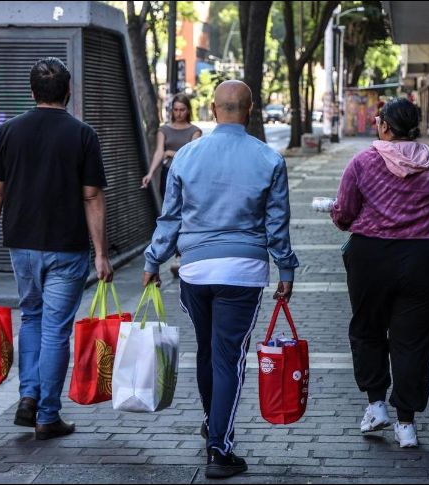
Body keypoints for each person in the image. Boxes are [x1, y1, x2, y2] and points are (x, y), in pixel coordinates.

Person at [142, 80, 298, 479]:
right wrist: (286, 268)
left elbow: (171, 218)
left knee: (209, 351)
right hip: (242, 272)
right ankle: (220, 449)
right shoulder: (269, 159)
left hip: (194, 270)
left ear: (213, 110)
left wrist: (152, 261)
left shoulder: (187, 156)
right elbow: (277, 225)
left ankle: (213, 423)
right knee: (229, 358)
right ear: (251, 110)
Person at [0, 57, 113, 441]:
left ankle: (28, 396)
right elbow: (92, 197)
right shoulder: (83, 134)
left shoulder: (8, 132)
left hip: (21, 244)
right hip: (67, 247)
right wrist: (101, 253)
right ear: (69, 92)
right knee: (55, 330)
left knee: (31, 319)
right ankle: (47, 415)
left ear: (32, 92)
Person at [330, 98, 429, 449]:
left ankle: (376, 404)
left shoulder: (362, 162)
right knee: (414, 342)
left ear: (386, 127)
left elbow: (344, 213)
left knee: (367, 330)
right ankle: (406, 424)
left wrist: (339, 217)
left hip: (370, 258)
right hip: (423, 259)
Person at [142, 94, 202, 278]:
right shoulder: (164, 130)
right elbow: (160, 152)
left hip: (188, 178)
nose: (178, 113)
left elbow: (192, 157)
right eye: (175, 110)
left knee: (185, 213)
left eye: (182, 109)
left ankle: (180, 253)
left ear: (188, 110)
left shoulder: (195, 131)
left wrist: (172, 152)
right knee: (169, 213)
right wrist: (150, 173)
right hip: (168, 176)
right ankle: (175, 251)